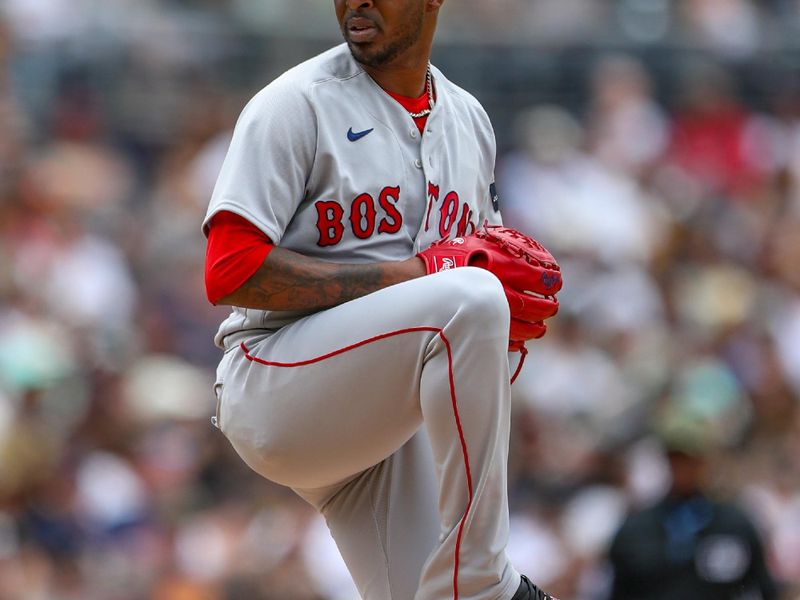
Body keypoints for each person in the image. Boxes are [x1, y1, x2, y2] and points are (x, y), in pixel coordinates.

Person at [202, 1, 559, 598]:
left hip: (381, 423)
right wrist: (416, 276)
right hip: (277, 381)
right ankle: (486, 585)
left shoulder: (469, 119)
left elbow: (478, 275)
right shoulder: (295, 103)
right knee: (467, 296)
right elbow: (228, 271)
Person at [607, 414, 780, 600]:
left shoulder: (735, 525)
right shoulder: (635, 531)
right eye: (676, 458)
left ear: (705, 461)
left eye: (690, 458)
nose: (683, 467)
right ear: (666, 460)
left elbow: (765, 587)